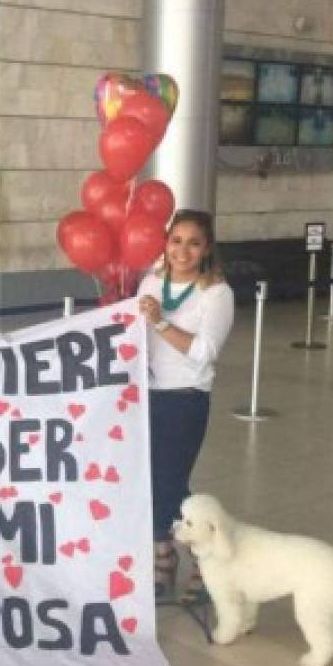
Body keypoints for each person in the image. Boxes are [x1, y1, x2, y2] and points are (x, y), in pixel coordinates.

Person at [136, 209, 234, 602]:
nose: (183, 250)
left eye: (193, 243)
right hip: (146, 395)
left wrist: (160, 323)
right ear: (166, 242)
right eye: (176, 240)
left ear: (206, 248)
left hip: (185, 399)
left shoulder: (216, 293)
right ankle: (163, 554)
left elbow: (204, 353)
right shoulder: (152, 281)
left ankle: (205, 558)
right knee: (151, 481)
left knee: (170, 482)